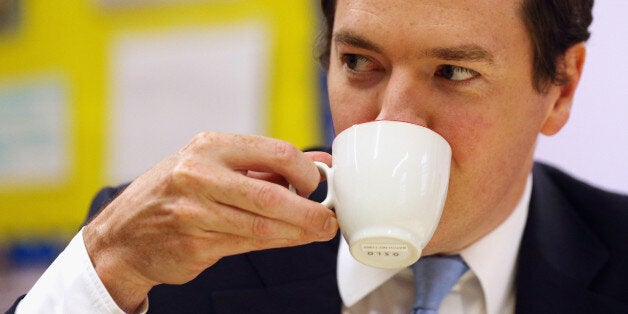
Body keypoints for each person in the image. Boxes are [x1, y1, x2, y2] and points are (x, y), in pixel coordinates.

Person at [8, 0, 628, 313]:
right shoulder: (173, 257)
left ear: (562, 88)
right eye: (360, 63)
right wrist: (104, 265)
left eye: (453, 72)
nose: (390, 119)